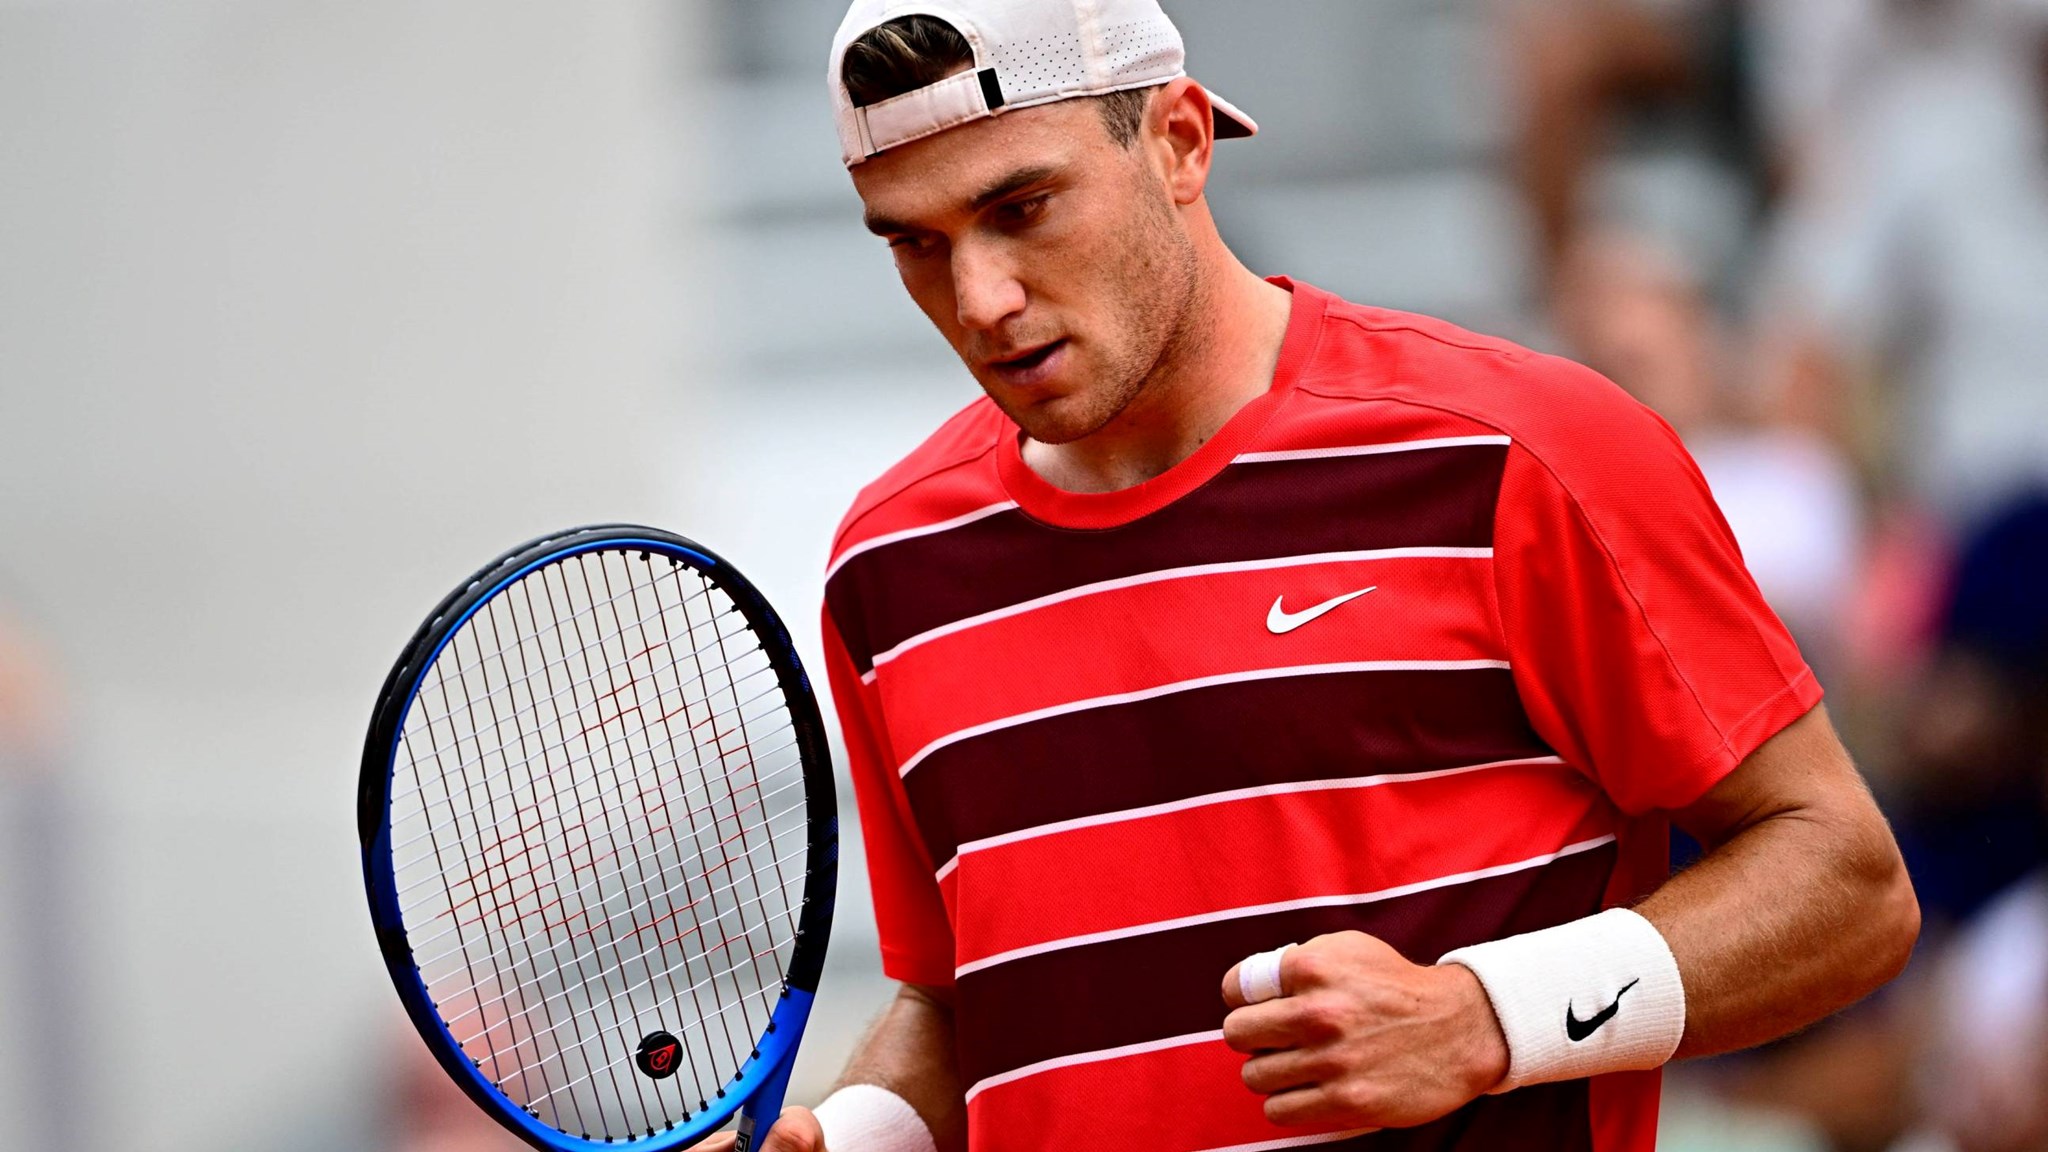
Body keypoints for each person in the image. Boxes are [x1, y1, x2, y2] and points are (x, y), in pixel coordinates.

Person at [707, 2, 1919, 1149]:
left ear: (1179, 142)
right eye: (915, 243)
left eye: (1021, 208)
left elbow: (1846, 885)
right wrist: (868, 1124)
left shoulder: (1519, 455)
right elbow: (967, 1002)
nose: (978, 300)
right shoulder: (889, 561)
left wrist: (1484, 1017)